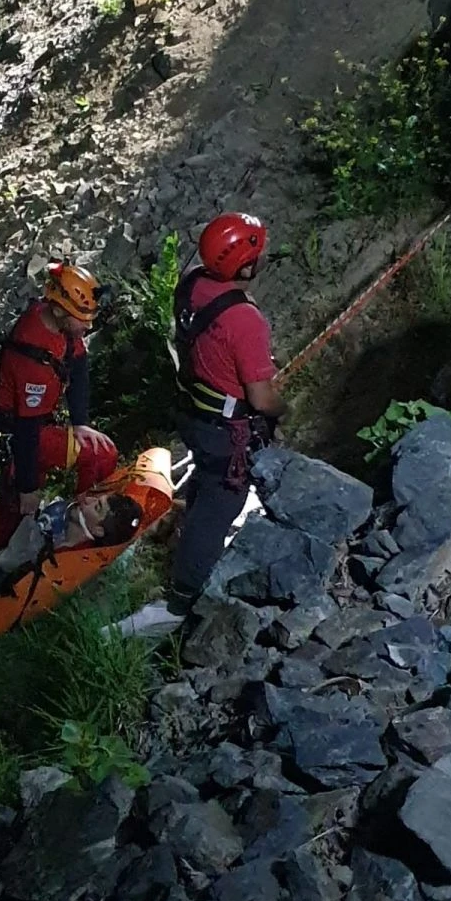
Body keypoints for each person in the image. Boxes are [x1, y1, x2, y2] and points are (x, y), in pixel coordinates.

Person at [169, 213, 287, 609]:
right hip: (225, 428)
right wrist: (282, 408)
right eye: (257, 253)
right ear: (244, 266)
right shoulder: (244, 320)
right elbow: (262, 400)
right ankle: (183, 596)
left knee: (206, 481)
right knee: (221, 504)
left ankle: (186, 543)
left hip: (193, 411)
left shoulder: (193, 285)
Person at [0, 262, 119, 551]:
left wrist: (80, 421)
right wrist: (29, 486)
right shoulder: (33, 359)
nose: (88, 326)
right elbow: (26, 429)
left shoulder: (56, 324)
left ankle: (2, 542)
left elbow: (78, 364)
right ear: (59, 310)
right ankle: (83, 527)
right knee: (99, 455)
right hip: (21, 431)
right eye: (82, 319)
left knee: (15, 502)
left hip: (34, 423)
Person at [0, 489, 142, 611]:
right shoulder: (61, 516)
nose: (88, 500)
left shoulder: (71, 562)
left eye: (97, 506)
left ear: (98, 530)